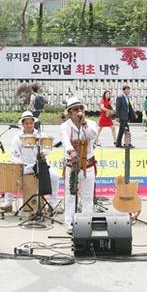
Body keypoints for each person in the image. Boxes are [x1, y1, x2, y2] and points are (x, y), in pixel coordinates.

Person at [3, 111, 60, 212]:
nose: (29, 125)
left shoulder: (40, 135)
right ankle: (8, 203)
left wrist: (44, 153)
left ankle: (52, 204)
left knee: (55, 176)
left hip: (39, 166)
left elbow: (48, 147)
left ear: (34, 123)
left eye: (31, 123)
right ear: (23, 124)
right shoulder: (17, 138)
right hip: (24, 166)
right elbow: (14, 155)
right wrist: (19, 163)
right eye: (26, 123)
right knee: (9, 173)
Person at [61, 97, 98, 233]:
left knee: (87, 196)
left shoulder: (90, 124)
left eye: (81, 109)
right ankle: (69, 222)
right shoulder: (65, 126)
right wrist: (71, 152)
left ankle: (86, 221)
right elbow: (65, 141)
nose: (79, 112)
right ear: (70, 113)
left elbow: (93, 135)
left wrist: (84, 124)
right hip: (72, 166)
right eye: (76, 109)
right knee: (70, 194)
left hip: (88, 165)